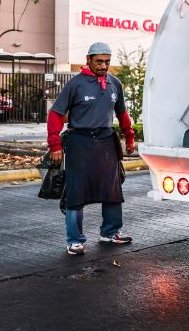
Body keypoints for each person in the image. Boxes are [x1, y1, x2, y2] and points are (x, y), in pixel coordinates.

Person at [47, 42, 136, 256]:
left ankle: (110, 232)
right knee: (76, 192)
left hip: (106, 140)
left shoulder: (114, 83)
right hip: (79, 141)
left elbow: (122, 113)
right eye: (99, 61)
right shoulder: (75, 84)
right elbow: (56, 114)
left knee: (112, 188)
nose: (104, 66)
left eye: (107, 62)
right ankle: (74, 240)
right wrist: (55, 144)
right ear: (88, 60)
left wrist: (130, 137)